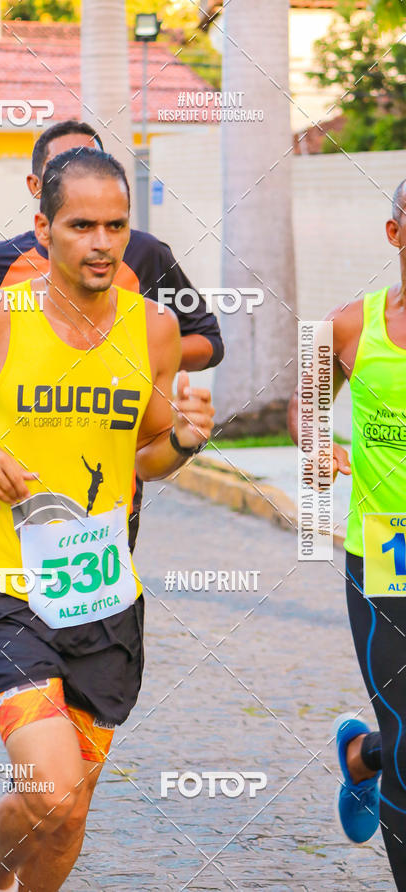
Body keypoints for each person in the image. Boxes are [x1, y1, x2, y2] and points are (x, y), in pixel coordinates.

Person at [0, 149, 215, 892]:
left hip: (104, 598)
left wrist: (181, 438)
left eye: (116, 225)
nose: (102, 242)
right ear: (44, 229)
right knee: (49, 788)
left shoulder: (152, 331)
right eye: (82, 225)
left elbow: (143, 455)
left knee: (70, 812)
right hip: (3, 589)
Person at [0, 119, 224, 552]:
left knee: (99, 586)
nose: (101, 242)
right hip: (19, 474)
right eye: (61, 169)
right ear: (36, 186)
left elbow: (208, 341)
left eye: (92, 163)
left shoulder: (143, 254)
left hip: (111, 459)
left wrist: (137, 358)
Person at [288, 178, 406, 888]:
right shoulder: (347, 326)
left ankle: (363, 755)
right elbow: (306, 406)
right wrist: (314, 446)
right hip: (389, 549)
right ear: (395, 234)